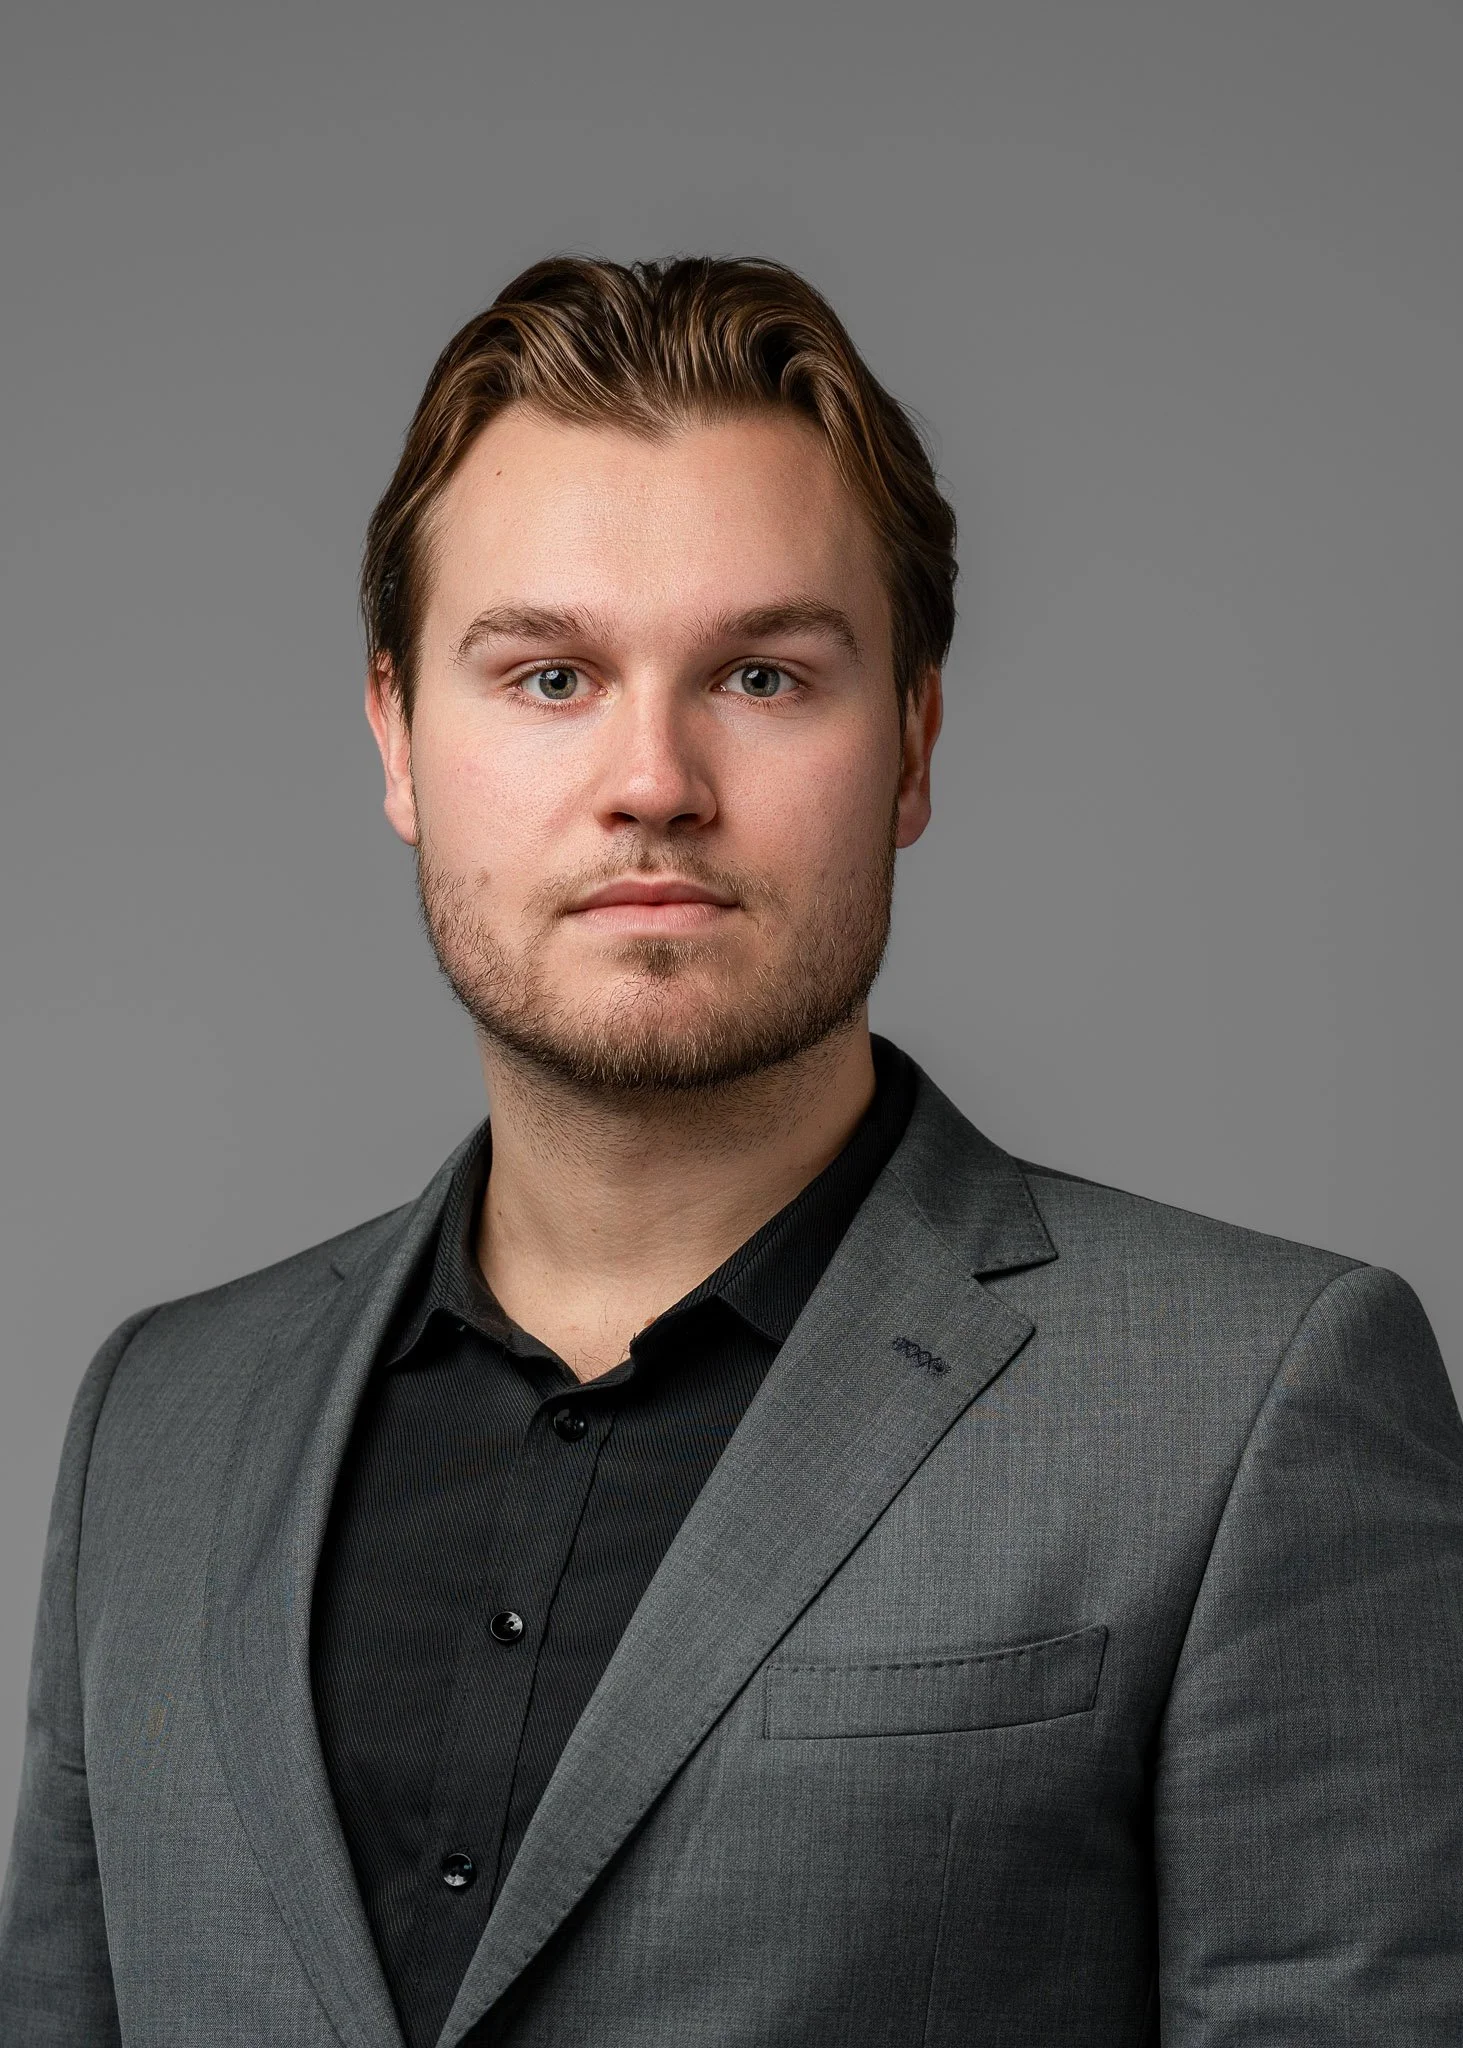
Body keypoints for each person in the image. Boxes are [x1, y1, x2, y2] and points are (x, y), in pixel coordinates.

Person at [2, 254, 1460, 2048]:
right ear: (395, 734)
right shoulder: (158, 1420)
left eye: (762, 677)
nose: (652, 780)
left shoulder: (1253, 1405)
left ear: (912, 741)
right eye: (547, 676)